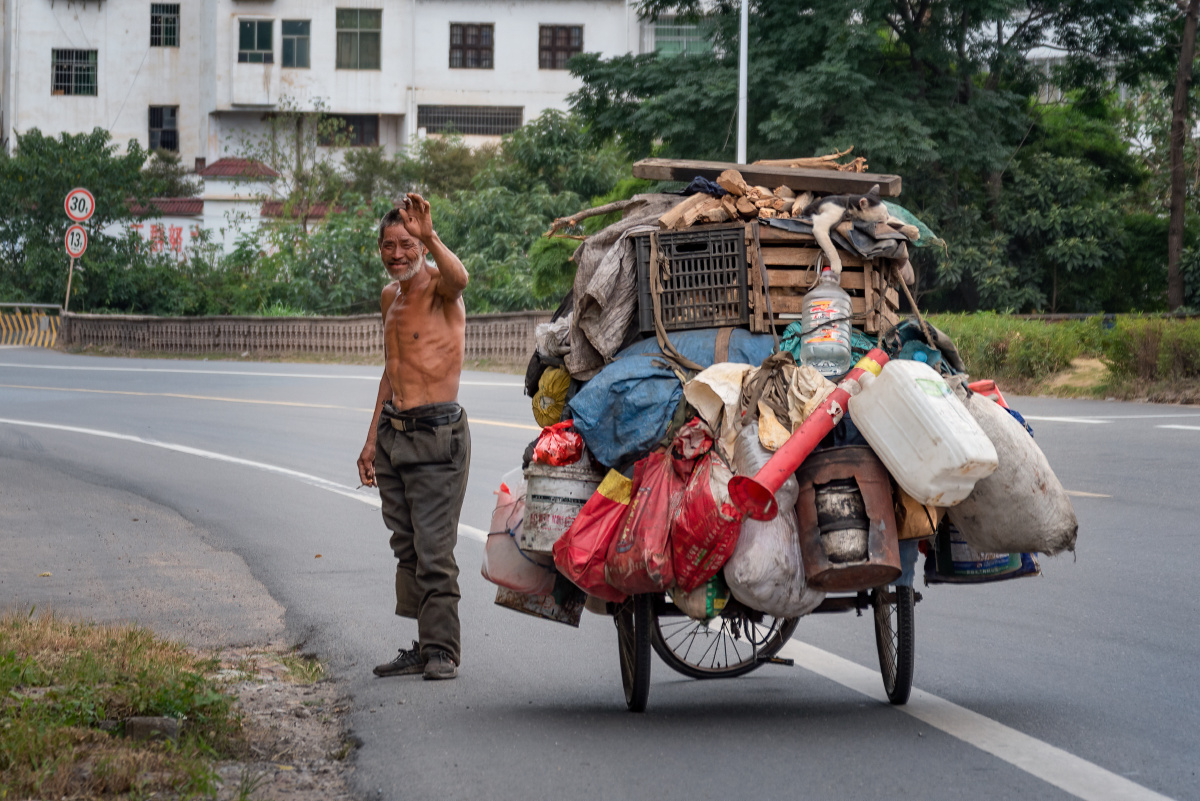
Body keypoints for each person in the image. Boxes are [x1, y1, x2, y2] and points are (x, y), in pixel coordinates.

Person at [357, 193, 471, 681]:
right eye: (389, 245)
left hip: (437, 434)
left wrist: (431, 235)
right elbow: (391, 371)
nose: (396, 253)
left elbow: (460, 277)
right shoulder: (390, 297)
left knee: (434, 548)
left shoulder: (442, 290)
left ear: (420, 247)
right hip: (394, 435)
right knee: (406, 545)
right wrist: (369, 441)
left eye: (406, 244)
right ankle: (424, 646)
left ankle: (443, 650)